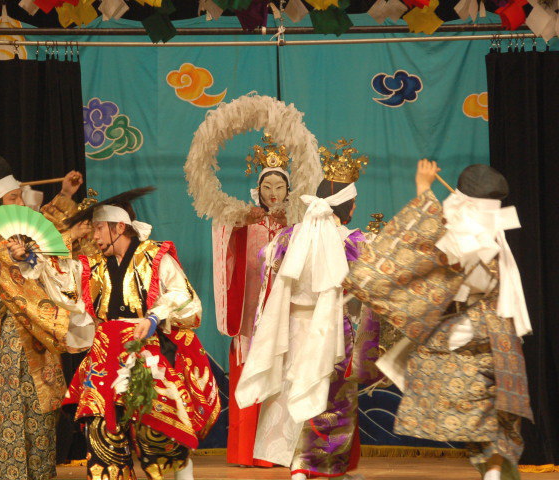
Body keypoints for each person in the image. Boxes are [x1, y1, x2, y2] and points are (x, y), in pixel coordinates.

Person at [344, 159, 533, 480]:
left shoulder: (459, 234)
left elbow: (419, 242)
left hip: (459, 334)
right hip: (499, 333)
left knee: (475, 402)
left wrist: (423, 188)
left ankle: (493, 469)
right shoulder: (492, 235)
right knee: (499, 406)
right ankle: (495, 469)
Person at [235, 139, 381, 480]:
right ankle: (309, 465)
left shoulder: (290, 237)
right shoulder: (352, 242)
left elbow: (266, 259)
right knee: (328, 398)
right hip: (328, 330)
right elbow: (373, 278)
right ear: (346, 207)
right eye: (354, 203)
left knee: (292, 393)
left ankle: (296, 464)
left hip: (292, 328)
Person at [59, 188, 220, 480]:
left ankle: (181, 472)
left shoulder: (155, 256)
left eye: (99, 228)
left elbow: (184, 296)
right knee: (100, 426)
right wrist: (30, 262)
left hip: (145, 347)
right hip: (106, 352)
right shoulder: (94, 264)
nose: (95, 236)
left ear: (119, 227)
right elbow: (63, 282)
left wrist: (154, 317)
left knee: (155, 423)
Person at [0, 153, 92, 480]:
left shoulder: (20, 234)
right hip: (8, 339)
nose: (21, 203)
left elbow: (45, 224)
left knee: (40, 413)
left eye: (20, 196)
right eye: (13, 198)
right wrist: (70, 238)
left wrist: (65, 194)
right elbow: (25, 278)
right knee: (12, 412)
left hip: (32, 335)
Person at [213, 135, 288, 466]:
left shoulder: (295, 224)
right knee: (249, 375)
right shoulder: (246, 221)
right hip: (249, 315)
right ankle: (245, 451)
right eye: (267, 186)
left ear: (288, 190)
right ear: (258, 189)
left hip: (282, 312)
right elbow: (225, 250)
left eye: (280, 187)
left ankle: (275, 452)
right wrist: (235, 224)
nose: (273, 193)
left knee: (279, 377)